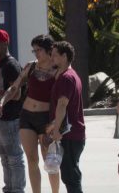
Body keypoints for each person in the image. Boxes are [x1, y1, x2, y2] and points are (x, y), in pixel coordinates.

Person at [0, 34, 60, 193]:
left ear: (49, 50)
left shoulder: (58, 70)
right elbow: (14, 88)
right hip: (26, 116)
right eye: (34, 50)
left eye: (38, 50)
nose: (36, 53)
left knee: (50, 160)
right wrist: (1, 103)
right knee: (32, 160)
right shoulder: (30, 66)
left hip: (46, 119)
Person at [0, 29, 27, 193]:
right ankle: (9, 188)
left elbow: (16, 94)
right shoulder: (0, 63)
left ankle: (17, 189)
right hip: (1, 117)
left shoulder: (11, 65)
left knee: (14, 157)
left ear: (5, 44)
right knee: (4, 157)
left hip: (11, 117)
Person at [46, 41, 85, 193]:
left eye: (55, 55)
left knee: (70, 176)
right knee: (70, 174)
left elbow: (62, 105)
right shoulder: (68, 76)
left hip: (69, 134)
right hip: (72, 134)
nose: (52, 58)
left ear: (64, 56)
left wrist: (56, 130)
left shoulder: (66, 78)